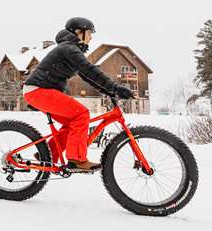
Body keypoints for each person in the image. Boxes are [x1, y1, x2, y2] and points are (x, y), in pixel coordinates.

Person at [23, 17, 135, 172]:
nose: (91, 37)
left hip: (40, 91)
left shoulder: (70, 49)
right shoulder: (69, 48)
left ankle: (47, 155)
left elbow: (87, 76)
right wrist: (115, 87)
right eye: (89, 32)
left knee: (72, 123)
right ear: (78, 32)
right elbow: (89, 69)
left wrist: (109, 91)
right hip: (39, 90)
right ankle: (76, 160)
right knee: (81, 115)